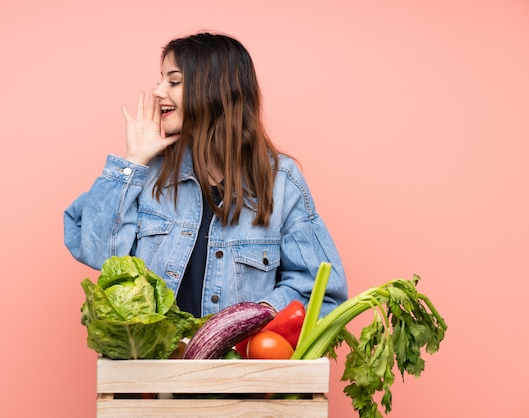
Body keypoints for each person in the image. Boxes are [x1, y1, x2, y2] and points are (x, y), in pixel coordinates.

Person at [64, 32, 347, 318]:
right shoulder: (148, 174)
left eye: (173, 81)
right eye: (161, 79)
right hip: (154, 362)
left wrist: (256, 317)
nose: (158, 91)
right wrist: (133, 160)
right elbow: (98, 253)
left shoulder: (280, 181)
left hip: (240, 362)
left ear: (214, 91)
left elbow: (320, 289)